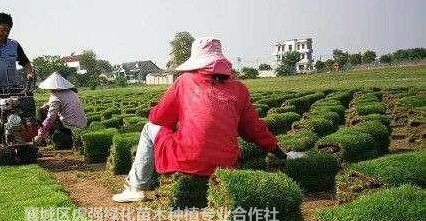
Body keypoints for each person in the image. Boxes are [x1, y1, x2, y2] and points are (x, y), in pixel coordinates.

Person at [112, 37, 304, 203]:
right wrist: (282, 154)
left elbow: (158, 118)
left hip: (188, 159)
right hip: (225, 164)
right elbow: (254, 129)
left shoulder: (185, 81)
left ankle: (135, 187)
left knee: (149, 127)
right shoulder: (239, 89)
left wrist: (175, 123)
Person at [33, 72, 87, 145]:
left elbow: (51, 118)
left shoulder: (55, 97)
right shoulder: (72, 92)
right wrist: (47, 105)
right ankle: (47, 137)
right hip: (82, 124)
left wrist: (40, 134)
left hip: (69, 128)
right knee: (44, 110)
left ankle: (44, 139)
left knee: (40, 111)